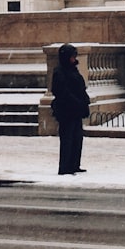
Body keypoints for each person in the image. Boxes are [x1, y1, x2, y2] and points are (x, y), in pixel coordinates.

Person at [51, 43, 90, 174]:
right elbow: (61, 91)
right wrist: (76, 102)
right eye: (72, 56)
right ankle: (65, 166)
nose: (74, 58)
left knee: (77, 138)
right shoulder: (59, 72)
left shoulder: (73, 70)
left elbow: (80, 87)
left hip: (75, 110)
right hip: (66, 111)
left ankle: (74, 164)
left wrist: (84, 101)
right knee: (67, 139)